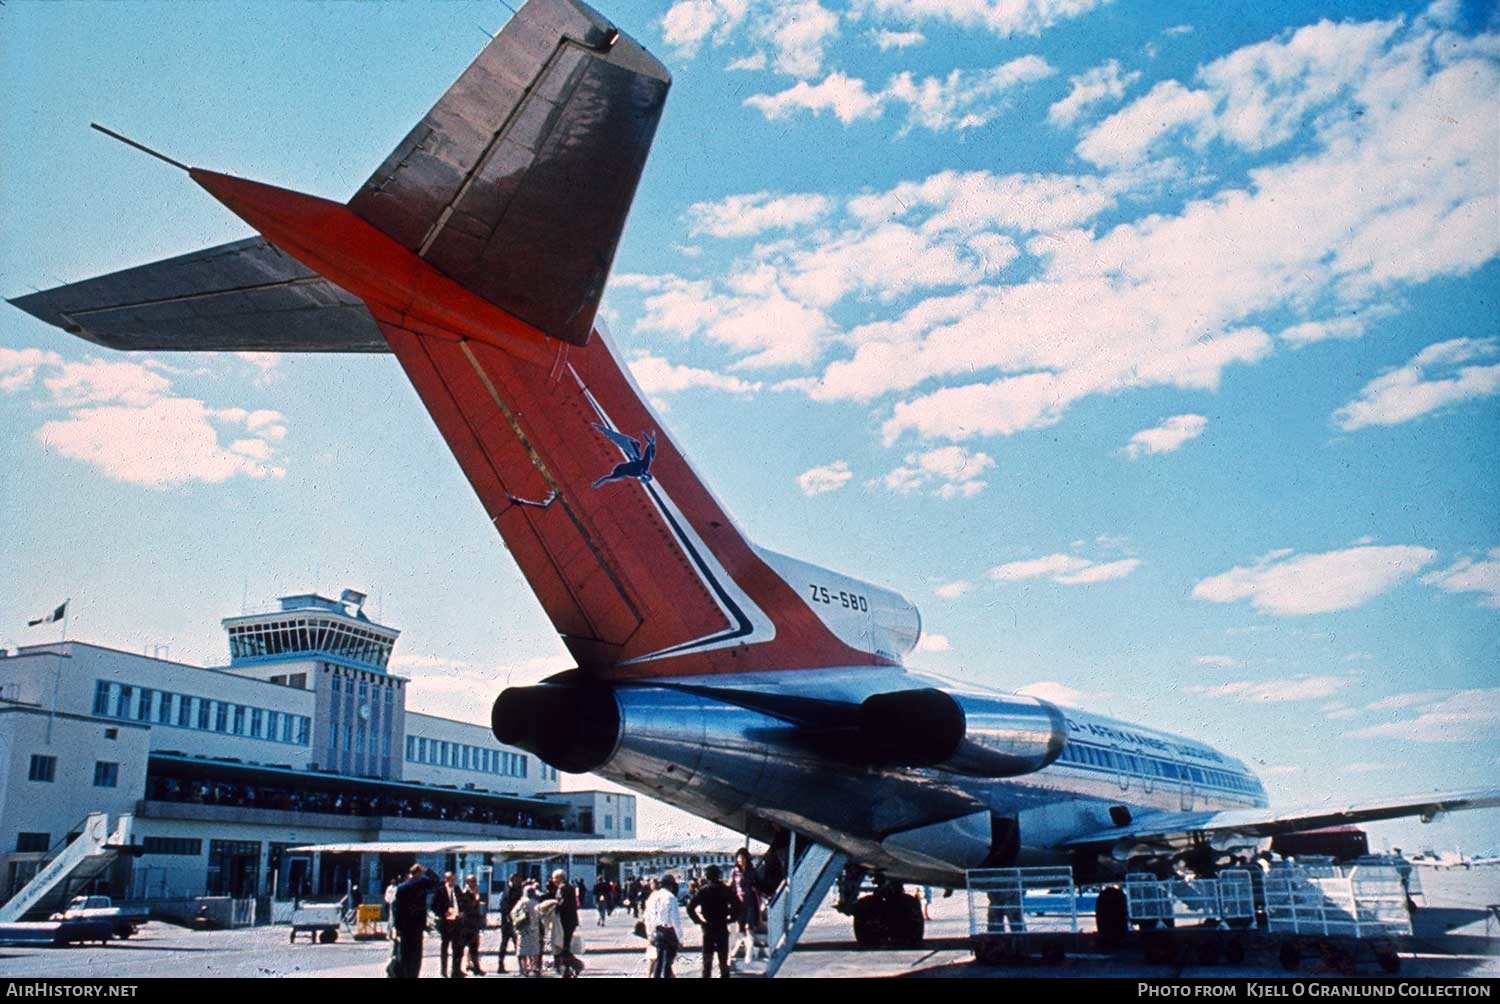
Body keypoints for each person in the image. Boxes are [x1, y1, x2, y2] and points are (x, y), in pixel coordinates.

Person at [687, 865, 737, 979]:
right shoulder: (724, 889)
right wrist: (731, 918)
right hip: (721, 925)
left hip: (708, 926)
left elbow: (690, 908)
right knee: (723, 960)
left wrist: (699, 921)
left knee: (707, 960)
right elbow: (737, 905)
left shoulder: (703, 890)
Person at [392, 864, 439, 979]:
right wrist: (427, 870)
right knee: (416, 954)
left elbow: (398, 909)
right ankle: (413, 975)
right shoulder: (422, 884)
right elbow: (436, 880)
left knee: (405, 953)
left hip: (405, 925)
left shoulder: (402, 887)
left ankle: (405, 974)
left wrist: (397, 927)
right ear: (419, 873)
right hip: (418, 924)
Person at [643, 875, 683, 978]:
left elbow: (649, 917)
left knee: (659, 961)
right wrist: (680, 938)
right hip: (669, 931)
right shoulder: (671, 897)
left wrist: (650, 933)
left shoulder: (654, 896)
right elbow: (676, 920)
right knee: (668, 961)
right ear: (671, 885)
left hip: (658, 930)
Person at [729, 848, 761, 962]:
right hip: (738, 903)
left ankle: (749, 952)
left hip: (750, 902)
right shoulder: (734, 872)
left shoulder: (752, 872)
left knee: (749, 928)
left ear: (747, 859)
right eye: (739, 858)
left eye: (742, 858)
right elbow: (730, 886)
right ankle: (737, 948)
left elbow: (759, 885)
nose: (740, 860)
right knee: (740, 929)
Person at [431, 870, 464, 978]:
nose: (453, 881)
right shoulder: (440, 891)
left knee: (457, 947)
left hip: (457, 921)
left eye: (454, 879)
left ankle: (456, 970)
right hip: (446, 922)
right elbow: (433, 906)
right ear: (446, 879)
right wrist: (443, 912)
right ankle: (443, 971)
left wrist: (462, 911)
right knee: (445, 947)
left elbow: (462, 902)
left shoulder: (458, 889)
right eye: (450, 879)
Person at [511, 881, 544, 977]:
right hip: (535, 929)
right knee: (534, 950)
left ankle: (523, 969)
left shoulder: (522, 902)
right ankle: (535, 969)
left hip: (523, 929)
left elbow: (513, 913)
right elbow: (541, 917)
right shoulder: (536, 903)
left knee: (523, 950)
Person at [458, 874, 487, 976]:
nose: (475, 883)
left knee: (474, 947)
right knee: (463, 947)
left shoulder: (474, 893)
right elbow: (469, 907)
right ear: (467, 882)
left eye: (475, 881)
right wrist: (475, 896)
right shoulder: (465, 893)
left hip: (474, 924)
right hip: (467, 924)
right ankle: (459, 968)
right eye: (472, 881)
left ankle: (476, 968)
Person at [496, 872, 524, 973]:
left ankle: (520, 966)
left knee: (509, 944)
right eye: (518, 880)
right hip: (510, 922)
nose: (520, 882)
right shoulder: (510, 890)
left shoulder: (511, 889)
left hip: (510, 921)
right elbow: (506, 907)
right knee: (516, 944)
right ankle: (520, 967)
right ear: (513, 880)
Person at [549, 868, 579, 954]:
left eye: (554, 878)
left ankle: (564, 963)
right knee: (567, 942)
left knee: (563, 943)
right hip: (572, 919)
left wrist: (553, 908)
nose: (553, 880)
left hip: (565, 919)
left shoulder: (562, 888)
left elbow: (563, 903)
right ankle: (566, 963)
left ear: (559, 878)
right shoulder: (570, 887)